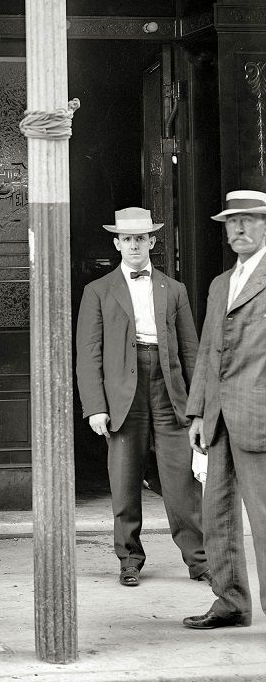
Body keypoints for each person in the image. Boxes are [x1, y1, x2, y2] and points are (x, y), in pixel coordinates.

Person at [75, 206, 207, 587]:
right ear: (117, 244)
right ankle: (129, 559)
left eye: (141, 238)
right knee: (125, 479)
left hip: (169, 390)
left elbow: (191, 351)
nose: (134, 244)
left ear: (152, 241)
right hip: (122, 393)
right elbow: (89, 354)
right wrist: (96, 407)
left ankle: (198, 560)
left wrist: (197, 407)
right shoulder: (98, 291)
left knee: (181, 480)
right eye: (127, 238)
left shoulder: (174, 288)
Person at [184, 189, 266, 630]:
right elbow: (208, 354)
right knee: (216, 515)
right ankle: (230, 603)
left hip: (259, 416)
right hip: (218, 420)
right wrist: (198, 412)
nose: (238, 228)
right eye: (232, 222)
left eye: (249, 220)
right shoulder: (220, 285)